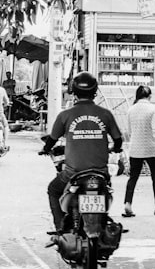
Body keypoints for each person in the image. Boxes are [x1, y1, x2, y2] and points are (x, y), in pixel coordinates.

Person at [41, 72, 122, 232]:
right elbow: (118, 139)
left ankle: (59, 229)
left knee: (53, 190)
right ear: (95, 91)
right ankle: (103, 223)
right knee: (106, 190)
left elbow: (52, 138)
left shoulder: (65, 115)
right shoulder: (105, 114)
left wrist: (45, 149)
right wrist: (115, 149)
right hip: (101, 173)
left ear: (74, 91)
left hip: (73, 173)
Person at [122, 85, 155, 217]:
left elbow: (129, 131)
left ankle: (128, 204)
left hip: (135, 148)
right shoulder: (153, 109)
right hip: (151, 148)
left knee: (133, 178)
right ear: (149, 96)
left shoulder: (131, 110)